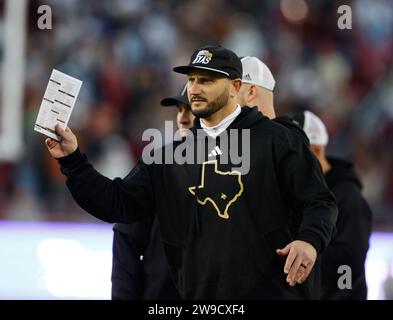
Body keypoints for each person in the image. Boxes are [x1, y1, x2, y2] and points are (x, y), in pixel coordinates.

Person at [45, 45, 338, 299]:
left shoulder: (279, 139)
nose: (195, 88)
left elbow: (319, 201)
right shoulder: (170, 155)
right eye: (192, 79)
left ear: (236, 87)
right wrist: (73, 160)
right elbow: (117, 203)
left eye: (207, 80)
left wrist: (309, 240)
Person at [111, 85, 193, 300]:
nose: (183, 119)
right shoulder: (158, 164)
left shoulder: (242, 167)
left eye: (194, 109)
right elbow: (125, 237)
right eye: (180, 110)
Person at [291, 110, 372, 300]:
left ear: (317, 150)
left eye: (295, 152)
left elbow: (348, 262)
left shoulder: (349, 199)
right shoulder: (300, 191)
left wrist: (300, 254)